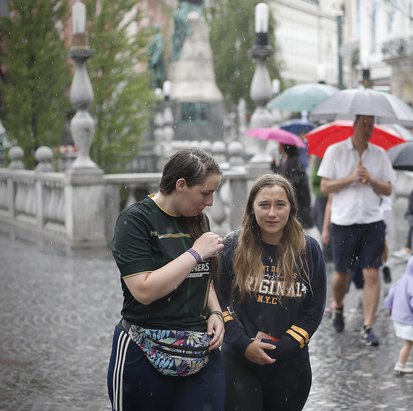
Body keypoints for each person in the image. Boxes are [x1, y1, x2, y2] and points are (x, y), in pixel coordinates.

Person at [107, 147, 226, 411]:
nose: (211, 202)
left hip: (199, 350)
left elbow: (200, 275)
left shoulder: (198, 219)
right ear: (181, 185)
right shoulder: (135, 220)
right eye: (206, 192)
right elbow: (144, 290)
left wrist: (216, 312)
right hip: (143, 349)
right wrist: (195, 252)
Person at [215, 174, 326, 411]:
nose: (272, 213)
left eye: (280, 205)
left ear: (291, 208)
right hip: (238, 361)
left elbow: (314, 310)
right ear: (252, 208)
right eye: (264, 205)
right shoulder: (232, 246)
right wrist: (243, 344)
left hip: (290, 363)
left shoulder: (308, 249)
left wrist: (281, 348)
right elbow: (219, 301)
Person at [317, 114, 396, 346]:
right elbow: (324, 186)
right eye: (365, 124)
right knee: (342, 273)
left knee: (372, 272)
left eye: (372, 125)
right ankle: (339, 305)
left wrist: (371, 180)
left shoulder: (379, 155)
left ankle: (368, 325)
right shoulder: (335, 151)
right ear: (355, 124)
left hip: (372, 221)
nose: (369, 129)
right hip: (344, 221)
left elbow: (388, 189)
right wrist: (351, 178)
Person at [271, 143, 314, 229]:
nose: (279, 147)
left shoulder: (294, 162)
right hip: (295, 201)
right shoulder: (287, 160)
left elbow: (291, 180)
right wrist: (274, 166)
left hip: (298, 202)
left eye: (280, 145)